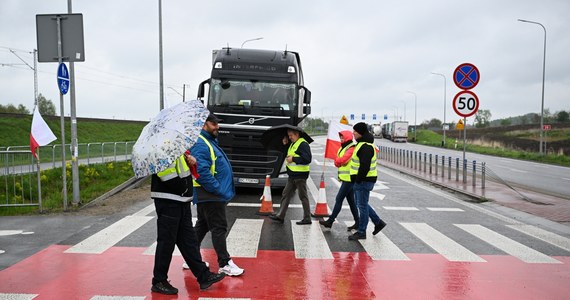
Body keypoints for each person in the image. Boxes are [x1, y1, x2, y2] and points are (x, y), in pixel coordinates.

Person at [150, 152, 225, 295]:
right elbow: (166, 174)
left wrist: (191, 163)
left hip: (181, 201)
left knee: (188, 241)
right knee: (166, 242)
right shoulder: (161, 150)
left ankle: (204, 276)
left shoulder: (176, 148)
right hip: (169, 201)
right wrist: (184, 187)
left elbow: (182, 170)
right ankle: (159, 281)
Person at [183, 114, 244, 276]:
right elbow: (201, 171)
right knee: (219, 227)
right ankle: (224, 263)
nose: (217, 126)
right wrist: (218, 189)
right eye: (214, 123)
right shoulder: (202, 144)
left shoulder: (207, 141)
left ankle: (191, 257)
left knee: (202, 225)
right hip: (210, 194)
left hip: (207, 194)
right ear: (204, 125)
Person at [348, 122, 386, 240]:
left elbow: (365, 166)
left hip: (364, 181)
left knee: (362, 206)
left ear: (360, 132)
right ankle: (378, 222)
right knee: (363, 204)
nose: (353, 133)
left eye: (355, 131)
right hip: (362, 180)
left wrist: (358, 180)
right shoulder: (362, 144)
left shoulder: (366, 147)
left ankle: (362, 231)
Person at [270, 128, 313, 225]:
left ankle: (307, 218)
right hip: (292, 175)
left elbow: (307, 158)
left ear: (297, 134)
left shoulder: (303, 144)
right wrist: (285, 144)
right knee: (286, 194)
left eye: (291, 136)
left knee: (303, 196)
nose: (289, 137)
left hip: (300, 175)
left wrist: (293, 158)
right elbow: (288, 154)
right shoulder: (293, 143)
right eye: (288, 136)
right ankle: (280, 216)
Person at [319, 130, 359, 230]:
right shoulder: (343, 148)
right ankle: (358, 222)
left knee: (339, 199)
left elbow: (341, 160)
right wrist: (338, 161)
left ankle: (330, 221)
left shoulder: (351, 148)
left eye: (342, 137)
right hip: (346, 179)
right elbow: (337, 161)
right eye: (340, 137)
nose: (341, 139)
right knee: (351, 202)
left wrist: (338, 161)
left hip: (350, 178)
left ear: (347, 137)